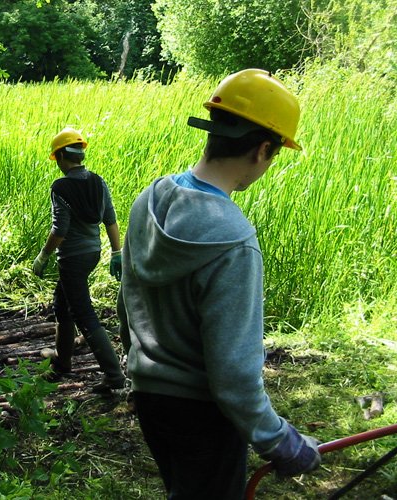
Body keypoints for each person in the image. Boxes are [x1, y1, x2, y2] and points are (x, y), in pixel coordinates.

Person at [117, 69, 321, 499]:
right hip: (203, 412)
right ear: (264, 149)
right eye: (274, 154)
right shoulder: (234, 238)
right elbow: (233, 374)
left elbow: (127, 303)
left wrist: (137, 367)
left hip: (151, 398)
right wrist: (276, 438)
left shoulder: (148, 200)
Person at [33, 127, 125, 393]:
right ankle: (62, 362)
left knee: (83, 313)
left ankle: (114, 376)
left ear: (62, 157)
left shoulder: (60, 186)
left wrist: (43, 255)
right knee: (62, 304)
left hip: (72, 257)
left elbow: (59, 229)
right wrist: (116, 252)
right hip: (92, 254)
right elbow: (110, 218)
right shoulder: (98, 181)